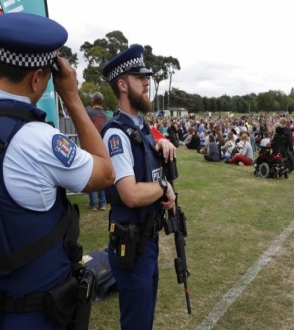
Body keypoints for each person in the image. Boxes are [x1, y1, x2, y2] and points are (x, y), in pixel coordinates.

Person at [0, 12, 115, 329]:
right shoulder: (37, 140)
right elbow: (105, 173)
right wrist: (73, 98)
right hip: (31, 314)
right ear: (36, 77)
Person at [101, 44, 177, 330]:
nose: (147, 82)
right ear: (122, 84)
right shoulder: (117, 134)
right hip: (131, 246)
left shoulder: (141, 126)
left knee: (143, 321)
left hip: (146, 241)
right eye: (139, 77)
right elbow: (130, 195)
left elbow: (151, 146)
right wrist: (164, 187)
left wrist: (163, 142)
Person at [87, 92, 108, 211]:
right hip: (102, 147)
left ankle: (93, 203)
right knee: (101, 174)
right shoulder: (105, 115)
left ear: (94, 100)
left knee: (90, 174)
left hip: (90, 146)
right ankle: (102, 202)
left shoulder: (88, 113)